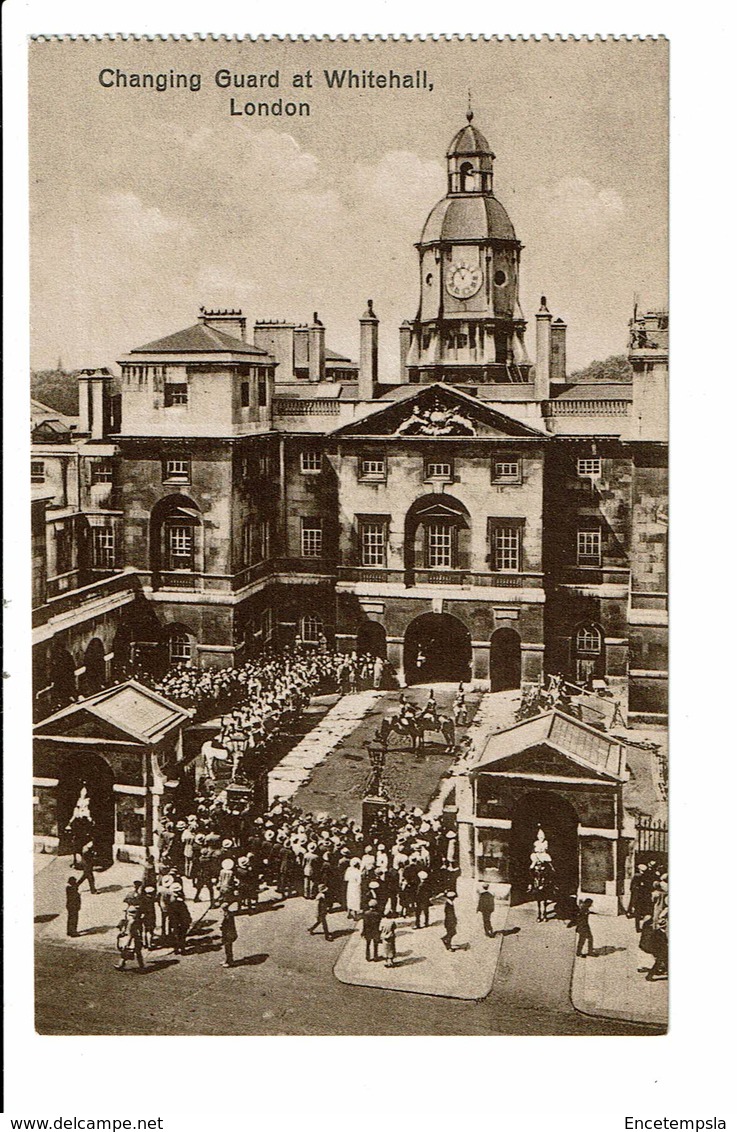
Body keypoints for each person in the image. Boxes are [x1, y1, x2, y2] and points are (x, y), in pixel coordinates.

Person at [115, 907, 145, 971]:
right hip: (136, 939)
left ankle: (120, 965)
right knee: (138, 953)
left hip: (132, 940)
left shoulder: (132, 922)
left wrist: (128, 942)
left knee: (126, 952)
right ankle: (141, 966)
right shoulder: (137, 921)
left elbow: (131, 933)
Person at [168, 891, 192, 955]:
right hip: (182, 922)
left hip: (175, 923)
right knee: (182, 936)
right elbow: (186, 914)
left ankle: (176, 949)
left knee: (176, 936)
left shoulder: (171, 904)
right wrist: (189, 920)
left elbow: (170, 915)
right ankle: (182, 949)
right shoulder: (182, 904)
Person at [220, 901, 239, 968]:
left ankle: (230, 961)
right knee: (227, 948)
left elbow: (227, 925)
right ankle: (227, 960)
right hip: (227, 933)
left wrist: (221, 926)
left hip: (228, 934)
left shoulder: (228, 915)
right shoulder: (228, 914)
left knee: (228, 948)